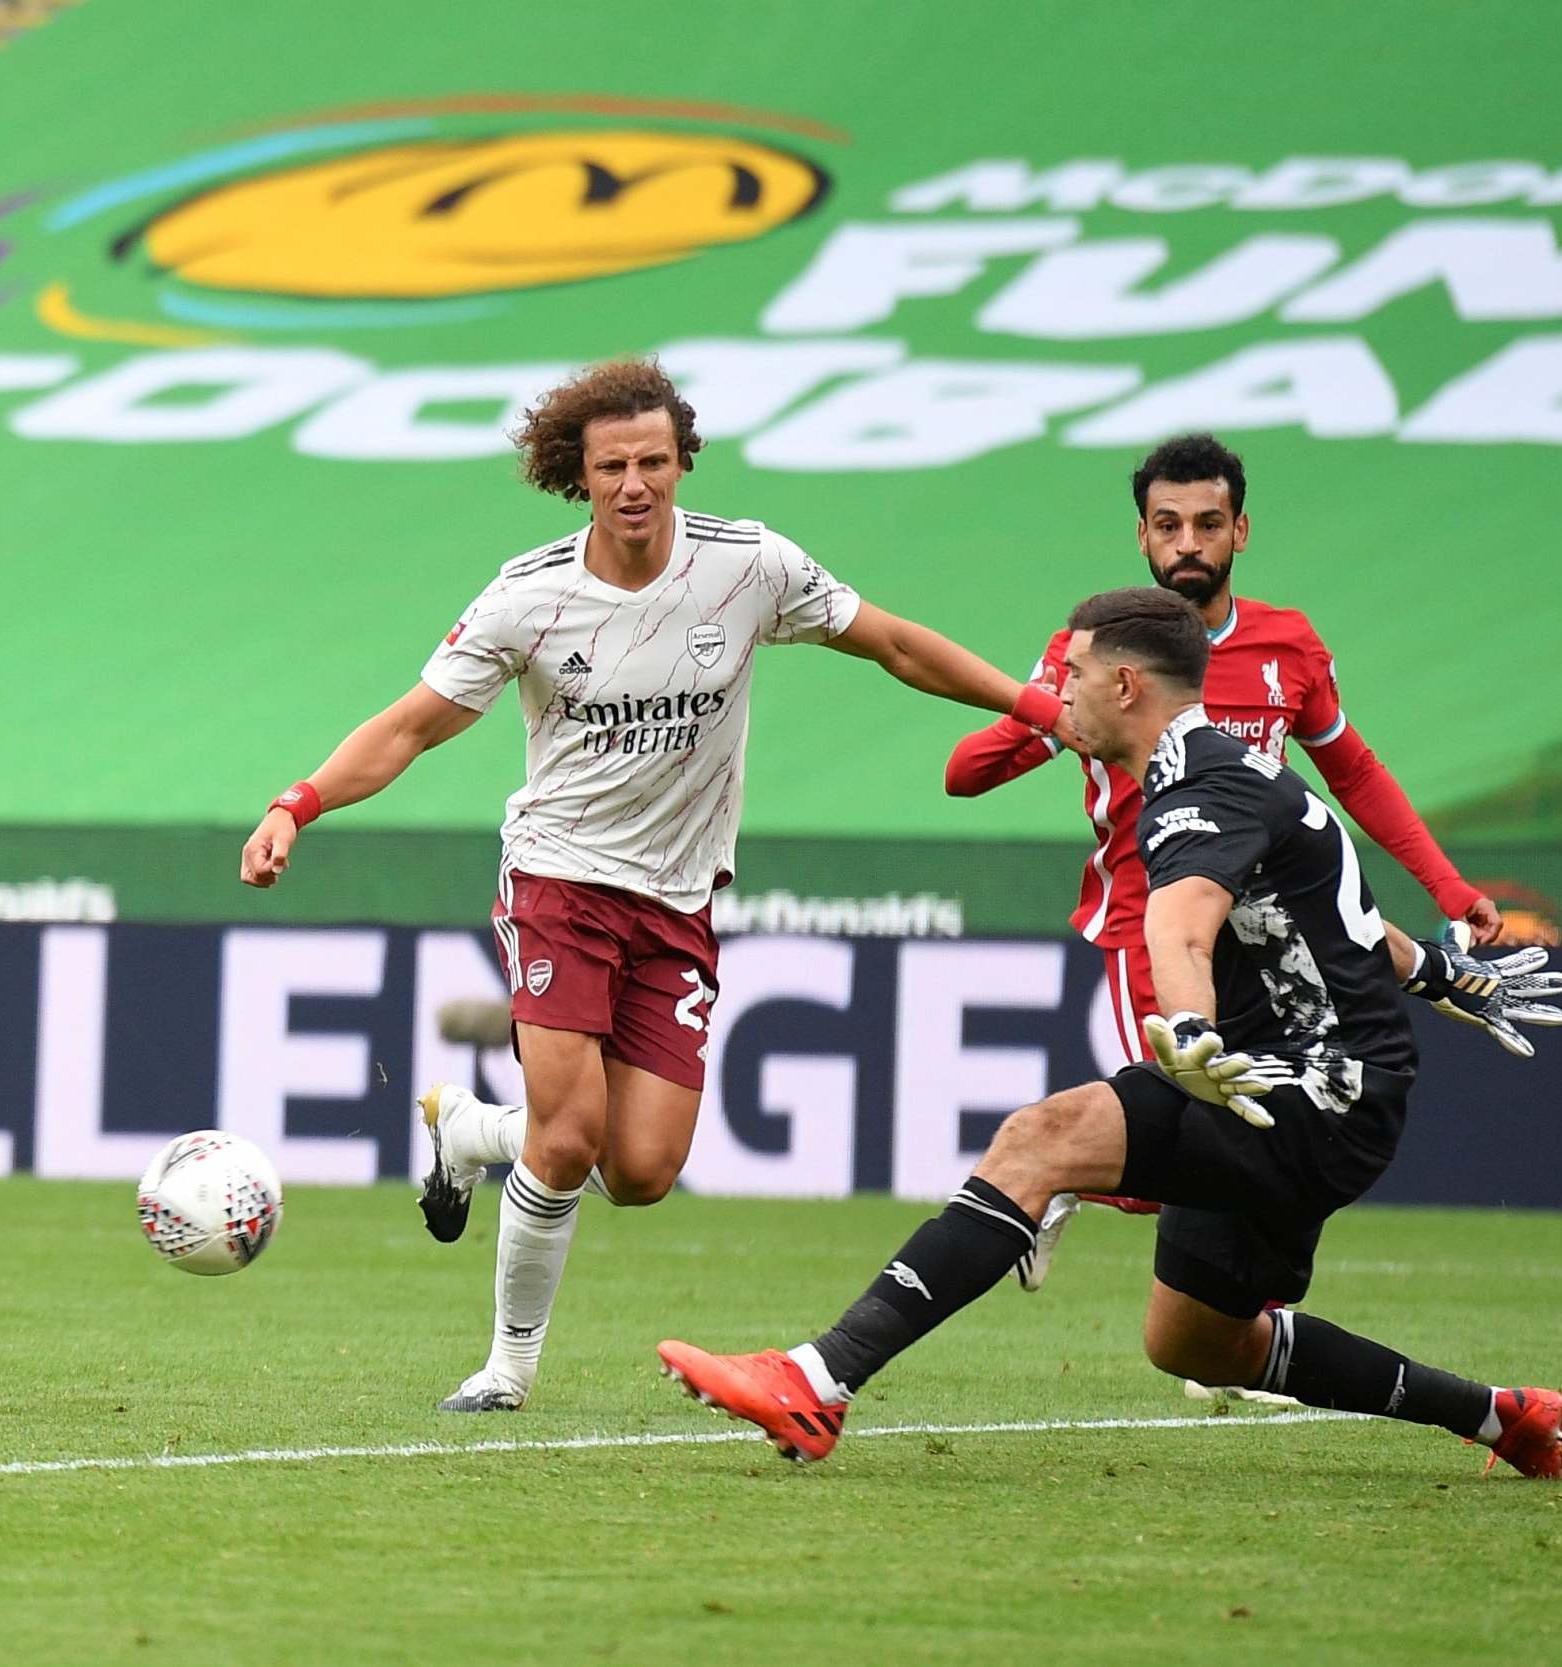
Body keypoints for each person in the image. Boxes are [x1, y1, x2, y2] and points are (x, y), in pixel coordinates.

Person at [239, 357, 1076, 1413]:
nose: (634, 483)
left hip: (678, 898)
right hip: (558, 879)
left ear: (681, 461)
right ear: (576, 476)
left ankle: (465, 1128)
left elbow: (894, 644)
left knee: (638, 1169)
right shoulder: (529, 596)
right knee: (571, 1132)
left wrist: (1035, 708)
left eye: (651, 460)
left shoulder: (747, 567)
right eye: (610, 466)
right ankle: (507, 1368)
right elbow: (411, 724)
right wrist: (296, 803)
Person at [657, 587, 1562, 1478]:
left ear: (1128, 686)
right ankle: (1502, 1414)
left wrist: (1187, 1027)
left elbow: (1180, 929)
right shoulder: (1230, 767)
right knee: (1198, 1342)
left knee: (1040, 1138)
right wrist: (1439, 972)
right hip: (1314, 1089)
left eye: (1075, 670)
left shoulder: (1192, 792)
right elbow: (1330, 920)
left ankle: (816, 1378)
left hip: (1304, 1091)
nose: (1059, 689)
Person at [944, 434, 1503, 1292]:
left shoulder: (1288, 646)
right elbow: (966, 773)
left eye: (1208, 523)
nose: (1188, 544)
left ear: (1241, 530)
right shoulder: (1096, 658)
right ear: (1142, 536)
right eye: (1167, 525)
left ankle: (1240, 1331)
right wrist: (1042, 710)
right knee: (1193, 1122)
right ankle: (1053, 1180)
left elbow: (1352, 770)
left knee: (1261, 1133)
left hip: (1268, 937)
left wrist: (1450, 887)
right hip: (1153, 923)